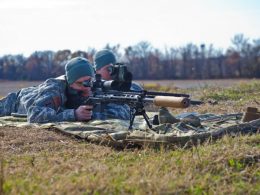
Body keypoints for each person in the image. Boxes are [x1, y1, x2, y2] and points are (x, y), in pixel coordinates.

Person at [0, 57, 128, 123]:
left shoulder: (95, 87)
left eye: (89, 82)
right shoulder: (54, 89)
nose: (86, 87)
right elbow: (35, 115)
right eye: (80, 83)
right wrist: (74, 115)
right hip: (13, 103)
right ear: (69, 82)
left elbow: (124, 111)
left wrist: (94, 115)